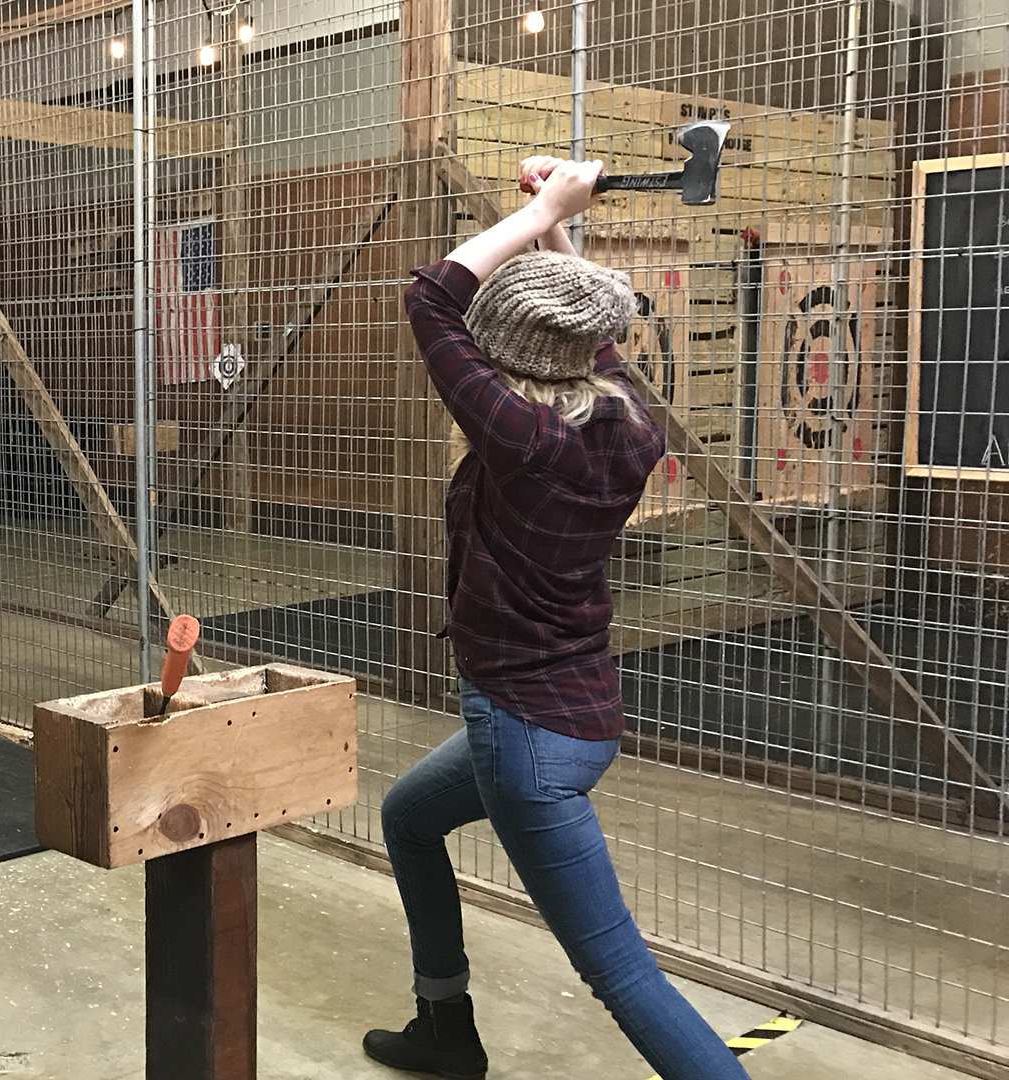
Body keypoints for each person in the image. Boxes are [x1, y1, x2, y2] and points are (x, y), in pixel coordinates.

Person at [361, 157, 751, 1080]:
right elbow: (589, 334)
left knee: (621, 974)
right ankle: (444, 1027)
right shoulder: (631, 426)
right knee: (409, 820)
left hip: (526, 741)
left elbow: (430, 299)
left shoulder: (522, 437)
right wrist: (553, 225)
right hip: (575, 712)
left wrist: (544, 205)